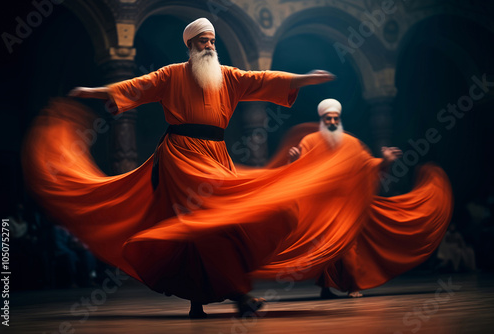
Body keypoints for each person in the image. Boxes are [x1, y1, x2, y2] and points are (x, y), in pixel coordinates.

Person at [26, 17, 335, 318]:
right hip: (182, 156)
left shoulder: (228, 76)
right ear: (190, 45)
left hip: (217, 156)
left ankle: (203, 300)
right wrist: (95, 92)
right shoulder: (170, 74)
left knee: (222, 222)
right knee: (204, 223)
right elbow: (136, 87)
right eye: (203, 41)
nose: (210, 46)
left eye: (212, 41)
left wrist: (304, 79)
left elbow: (264, 79)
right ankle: (239, 296)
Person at [288, 99, 401, 298]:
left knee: (348, 247)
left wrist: (386, 161)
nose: (332, 121)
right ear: (322, 120)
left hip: (347, 207)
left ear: (339, 119)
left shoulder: (350, 142)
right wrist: (294, 160)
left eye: (335, 118)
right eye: (328, 118)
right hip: (322, 207)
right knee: (324, 249)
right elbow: (300, 171)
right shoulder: (309, 141)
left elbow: (368, 165)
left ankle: (353, 286)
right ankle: (325, 288)